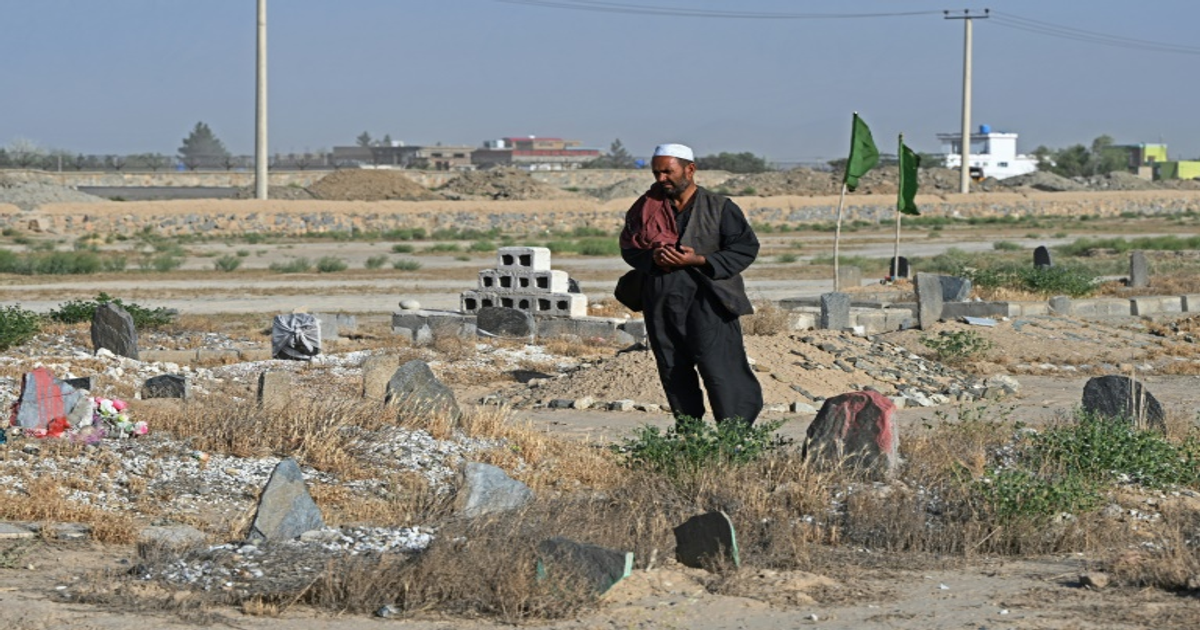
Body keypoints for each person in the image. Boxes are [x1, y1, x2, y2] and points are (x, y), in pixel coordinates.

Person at [619, 143, 763, 427]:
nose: (661, 179)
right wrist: (654, 258)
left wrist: (699, 260)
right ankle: (689, 432)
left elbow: (745, 248)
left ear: (690, 170)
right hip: (661, 300)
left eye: (668, 172)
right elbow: (630, 248)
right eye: (657, 173)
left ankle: (734, 435)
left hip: (709, 301)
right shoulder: (644, 207)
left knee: (721, 369)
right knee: (673, 368)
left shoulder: (720, 207)